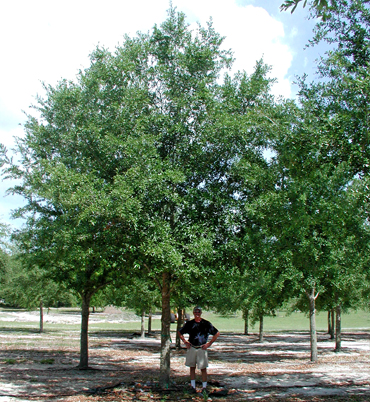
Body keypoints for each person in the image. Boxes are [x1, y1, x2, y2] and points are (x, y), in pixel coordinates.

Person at [178, 306, 220, 394]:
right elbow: (180, 332)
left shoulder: (206, 324)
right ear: (193, 313)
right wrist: (185, 342)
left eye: (199, 312)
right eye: (195, 312)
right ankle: (193, 387)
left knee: (203, 368)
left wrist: (209, 344)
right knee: (192, 367)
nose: (197, 314)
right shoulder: (190, 324)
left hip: (202, 348)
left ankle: (204, 387)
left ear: (201, 313)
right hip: (192, 347)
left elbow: (216, 333)